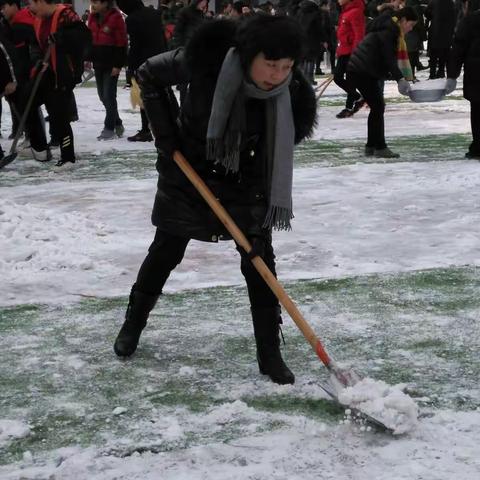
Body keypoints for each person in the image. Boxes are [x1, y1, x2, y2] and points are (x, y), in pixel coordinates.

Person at [113, 15, 317, 385]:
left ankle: (270, 354)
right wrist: (166, 136)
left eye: (286, 67)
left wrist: (258, 221)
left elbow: (270, 160)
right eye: (270, 65)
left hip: (244, 180)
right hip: (188, 171)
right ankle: (132, 324)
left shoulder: (290, 95)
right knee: (166, 251)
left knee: (259, 261)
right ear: (248, 54)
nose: (278, 75)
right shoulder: (205, 59)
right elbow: (148, 74)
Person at [27, 0, 91, 166]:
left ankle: (68, 157)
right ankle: (40, 147)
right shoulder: (38, 19)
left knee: (59, 117)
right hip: (46, 73)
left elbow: (83, 37)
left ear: (41, 2)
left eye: (31, 4)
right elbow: (35, 45)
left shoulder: (66, 15)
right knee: (26, 101)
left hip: (63, 74)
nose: (29, 8)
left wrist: (62, 37)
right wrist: (38, 59)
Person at [347, 6, 417, 158]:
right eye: (410, 25)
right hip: (362, 70)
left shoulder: (388, 28)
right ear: (403, 20)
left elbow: (384, 59)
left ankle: (372, 145)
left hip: (362, 69)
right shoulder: (389, 31)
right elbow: (388, 58)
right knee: (378, 107)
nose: (410, 29)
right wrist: (400, 78)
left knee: (377, 107)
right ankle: (379, 147)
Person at [116, 0, 167, 142]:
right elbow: (162, 37)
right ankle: (165, 127)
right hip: (160, 59)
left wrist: (131, 68)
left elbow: (135, 46)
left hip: (143, 63)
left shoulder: (132, 19)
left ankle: (146, 130)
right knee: (162, 95)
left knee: (144, 98)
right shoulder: (154, 13)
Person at [87, 0, 128, 140]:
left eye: (96, 2)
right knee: (102, 96)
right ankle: (117, 122)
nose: (93, 4)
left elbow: (121, 43)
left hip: (111, 64)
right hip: (98, 63)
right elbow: (90, 39)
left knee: (109, 96)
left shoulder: (116, 18)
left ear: (106, 3)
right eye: (92, 2)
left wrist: (118, 65)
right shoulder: (92, 17)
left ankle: (109, 128)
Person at [446, 0, 480, 159]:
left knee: (478, 111)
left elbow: (458, 49)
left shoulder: (469, 21)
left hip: (476, 74)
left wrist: (452, 75)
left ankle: (478, 147)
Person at [334, 0, 365, 118]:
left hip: (351, 52)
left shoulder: (356, 12)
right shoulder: (345, 12)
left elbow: (359, 35)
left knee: (348, 79)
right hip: (344, 50)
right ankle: (358, 98)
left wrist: (356, 53)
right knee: (338, 77)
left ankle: (349, 107)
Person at [425, 0, 456, 79]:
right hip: (447, 33)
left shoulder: (433, 2)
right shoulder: (451, 3)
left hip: (435, 32)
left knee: (433, 55)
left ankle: (432, 74)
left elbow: (427, 13)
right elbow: (454, 16)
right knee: (444, 54)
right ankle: (441, 72)